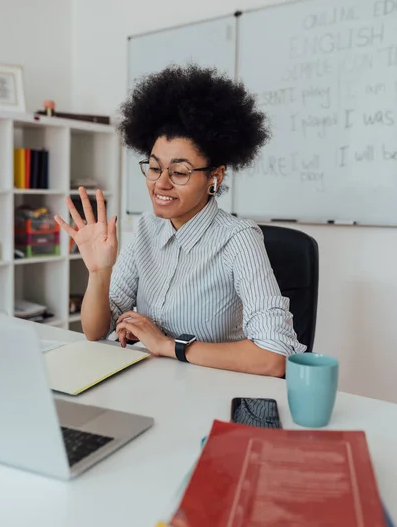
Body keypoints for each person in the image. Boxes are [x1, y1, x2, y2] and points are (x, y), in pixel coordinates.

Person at [55, 64, 305, 377]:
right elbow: (95, 331)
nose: (161, 183)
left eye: (180, 172)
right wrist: (99, 272)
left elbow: (273, 357)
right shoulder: (147, 227)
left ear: (214, 176)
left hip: (211, 395)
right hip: (150, 386)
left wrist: (168, 345)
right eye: (155, 167)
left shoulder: (238, 238)